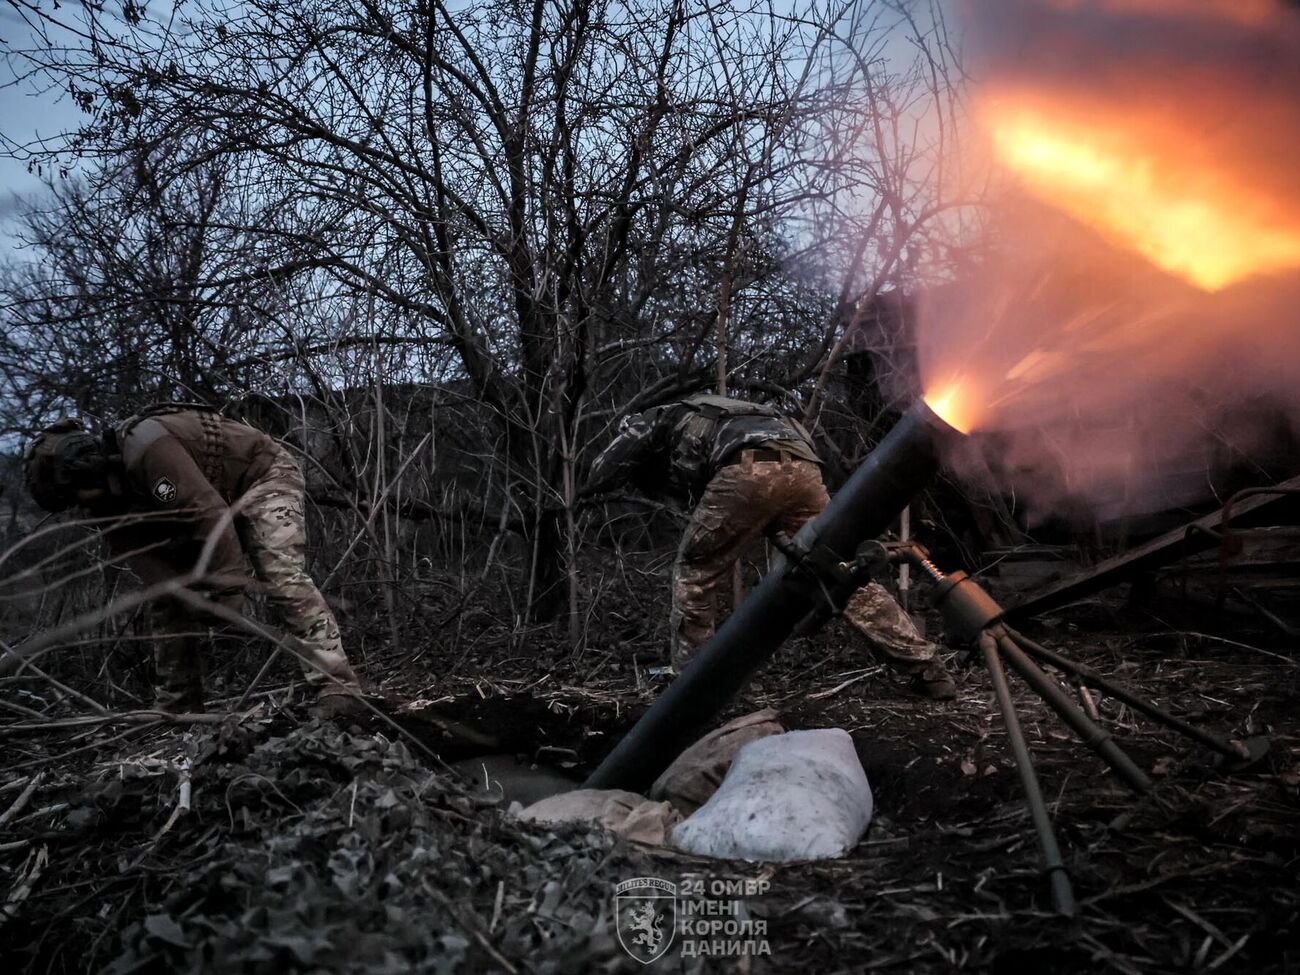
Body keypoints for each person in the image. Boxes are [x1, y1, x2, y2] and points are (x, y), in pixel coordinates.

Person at [589, 393, 957, 698]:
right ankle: (927, 667)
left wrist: (584, 491)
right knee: (837, 570)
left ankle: (690, 687)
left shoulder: (657, 417)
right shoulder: (731, 413)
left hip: (747, 469)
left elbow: (604, 468)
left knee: (695, 573)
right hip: (803, 469)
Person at [23, 405, 364, 714]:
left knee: (280, 573)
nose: (81, 504)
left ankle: (338, 686)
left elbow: (210, 515)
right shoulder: (104, 504)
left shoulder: (146, 449)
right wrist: (187, 594)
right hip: (205, 506)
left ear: (88, 470)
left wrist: (227, 595)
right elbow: (149, 566)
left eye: (77, 495)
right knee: (166, 602)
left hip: (261, 477)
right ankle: (179, 705)